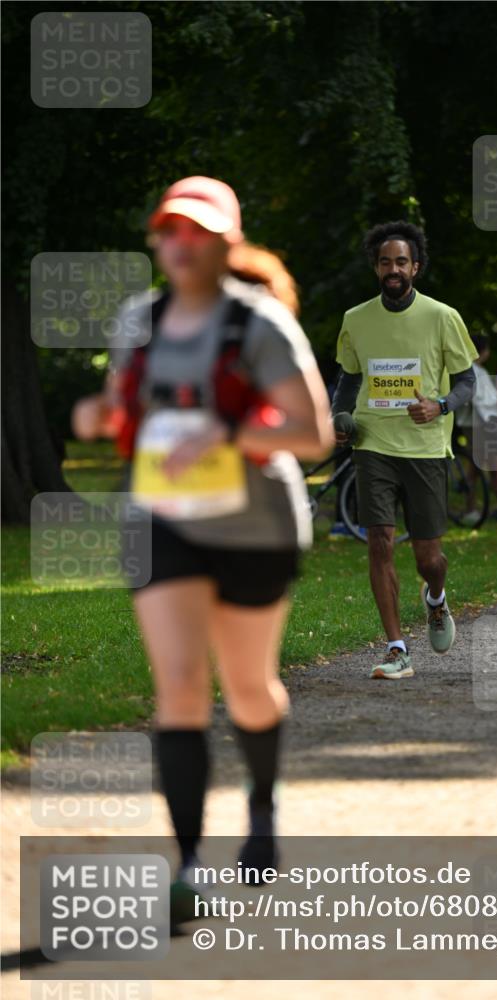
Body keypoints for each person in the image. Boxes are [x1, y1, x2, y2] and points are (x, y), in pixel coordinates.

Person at [72, 176, 333, 913]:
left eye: (198, 232)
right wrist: (95, 413)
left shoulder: (260, 325)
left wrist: (230, 433)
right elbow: (124, 409)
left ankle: (262, 813)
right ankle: (188, 864)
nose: (182, 244)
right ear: (157, 243)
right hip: (165, 522)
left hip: (257, 527)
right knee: (182, 684)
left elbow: (311, 433)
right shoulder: (138, 321)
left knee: (248, 687)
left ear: (227, 243)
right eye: (169, 231)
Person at [332, 220, 477, 679]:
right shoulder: (356, 319)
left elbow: (467, 382)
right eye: (385, 262)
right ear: (376, 268)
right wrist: (340, 418)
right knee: (379, 541)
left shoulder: (442, 316)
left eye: (401, 261)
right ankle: (397, 648)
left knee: (428, 559)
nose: (393, 269)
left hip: (426, 448)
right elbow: (348, 379)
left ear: (415, 266)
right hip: (373, 444)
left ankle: (435, 598)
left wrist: (439, 406)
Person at [455, 332, 497, 522]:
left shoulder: (478, 371)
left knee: (483, 468)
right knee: (490, 467)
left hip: (484, 424)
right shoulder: (472, 371)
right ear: (481, 351)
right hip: (479, 425)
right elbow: (481, 401)